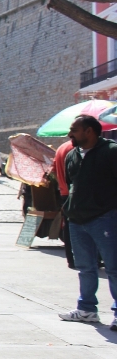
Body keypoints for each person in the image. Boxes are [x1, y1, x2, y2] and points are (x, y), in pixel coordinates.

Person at [58, 115, 117, 327]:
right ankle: (87, 309)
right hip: (77, 220)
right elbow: (71, 184)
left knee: (113, 267)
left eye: (74, 130)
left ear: (89, 131)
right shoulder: (72, 155)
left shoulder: (111, 151)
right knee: (85, 267)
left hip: (105, 218)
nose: (69, 134)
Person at [53, 139, 76, 269]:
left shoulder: (61, 147)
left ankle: (71, 258)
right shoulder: (75, 149)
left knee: (68, 225)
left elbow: (53, 170)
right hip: (75, 192)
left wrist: (61, 185)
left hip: (64, 192)